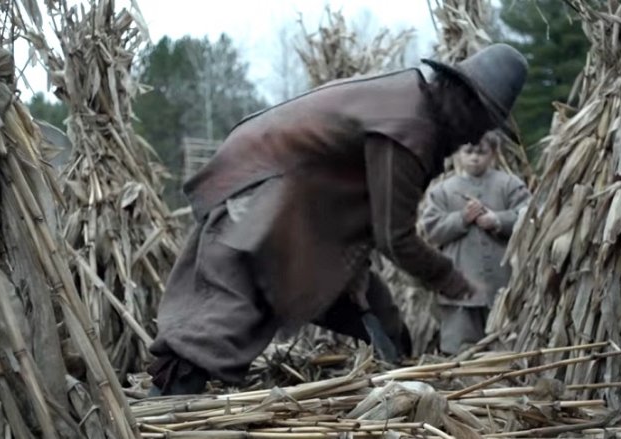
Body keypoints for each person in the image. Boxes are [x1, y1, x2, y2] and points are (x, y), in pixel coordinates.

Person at [147, 44, 528, 396]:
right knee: (225, 319)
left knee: (379, 317)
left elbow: (360, 209)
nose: (478, 133)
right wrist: (454, 282)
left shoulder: (409, 103)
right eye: (482, 117)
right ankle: (165, 406)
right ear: (462, 99)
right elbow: (394, 237)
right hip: (264, 197)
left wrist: (354, 268)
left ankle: (397, 390)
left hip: (304, 214)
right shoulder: (411, 125)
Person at [419, 130, 531, 355]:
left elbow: (530, 215)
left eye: (481, 152)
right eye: (468, 152)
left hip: (503, 285)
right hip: (460, 283)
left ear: (493, 154)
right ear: (458, 154)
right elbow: (430, 229)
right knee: (460, 350)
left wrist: (497, 220)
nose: (474, 157)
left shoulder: (509, 184)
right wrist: (462, 218)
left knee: (504, 347)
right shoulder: (443, 191)